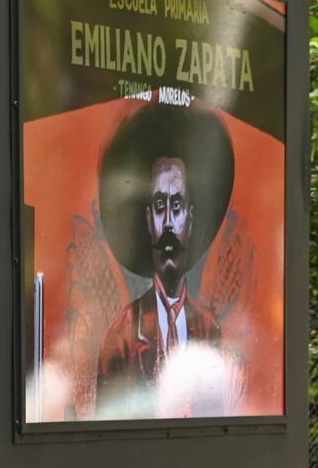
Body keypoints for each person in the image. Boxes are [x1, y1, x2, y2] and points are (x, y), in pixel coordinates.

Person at [95, 102, 234, 415]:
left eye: (177, 207)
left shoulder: (209, 330)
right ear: (149, 220)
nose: (169, 223)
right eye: (160, 206)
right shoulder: (121, 336)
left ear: (190, 219)